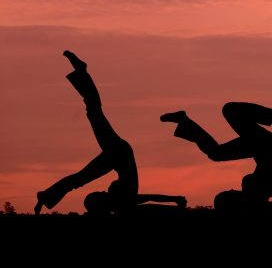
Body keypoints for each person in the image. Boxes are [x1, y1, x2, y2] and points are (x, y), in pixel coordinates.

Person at [35, 51, 186, 215]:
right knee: (94, 112)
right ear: (102, 203)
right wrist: (175, 201)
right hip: (120, 153)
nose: (102, 191)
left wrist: (175, 200)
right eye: (99, 195)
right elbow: (149, 200)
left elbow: (149, 201)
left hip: (116, 155)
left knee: (80, 175)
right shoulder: (123, 203)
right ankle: (82, 72)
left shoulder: (121, 202)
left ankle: (46, 196)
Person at [160, 102, 272, 212]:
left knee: (216, 152)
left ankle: (184, 122)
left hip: (260, 146)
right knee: (229, 110)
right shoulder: (265, 186)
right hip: (264, 144)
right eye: (232, 192)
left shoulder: (262, 191)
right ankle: (271, 115)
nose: (234, 189)